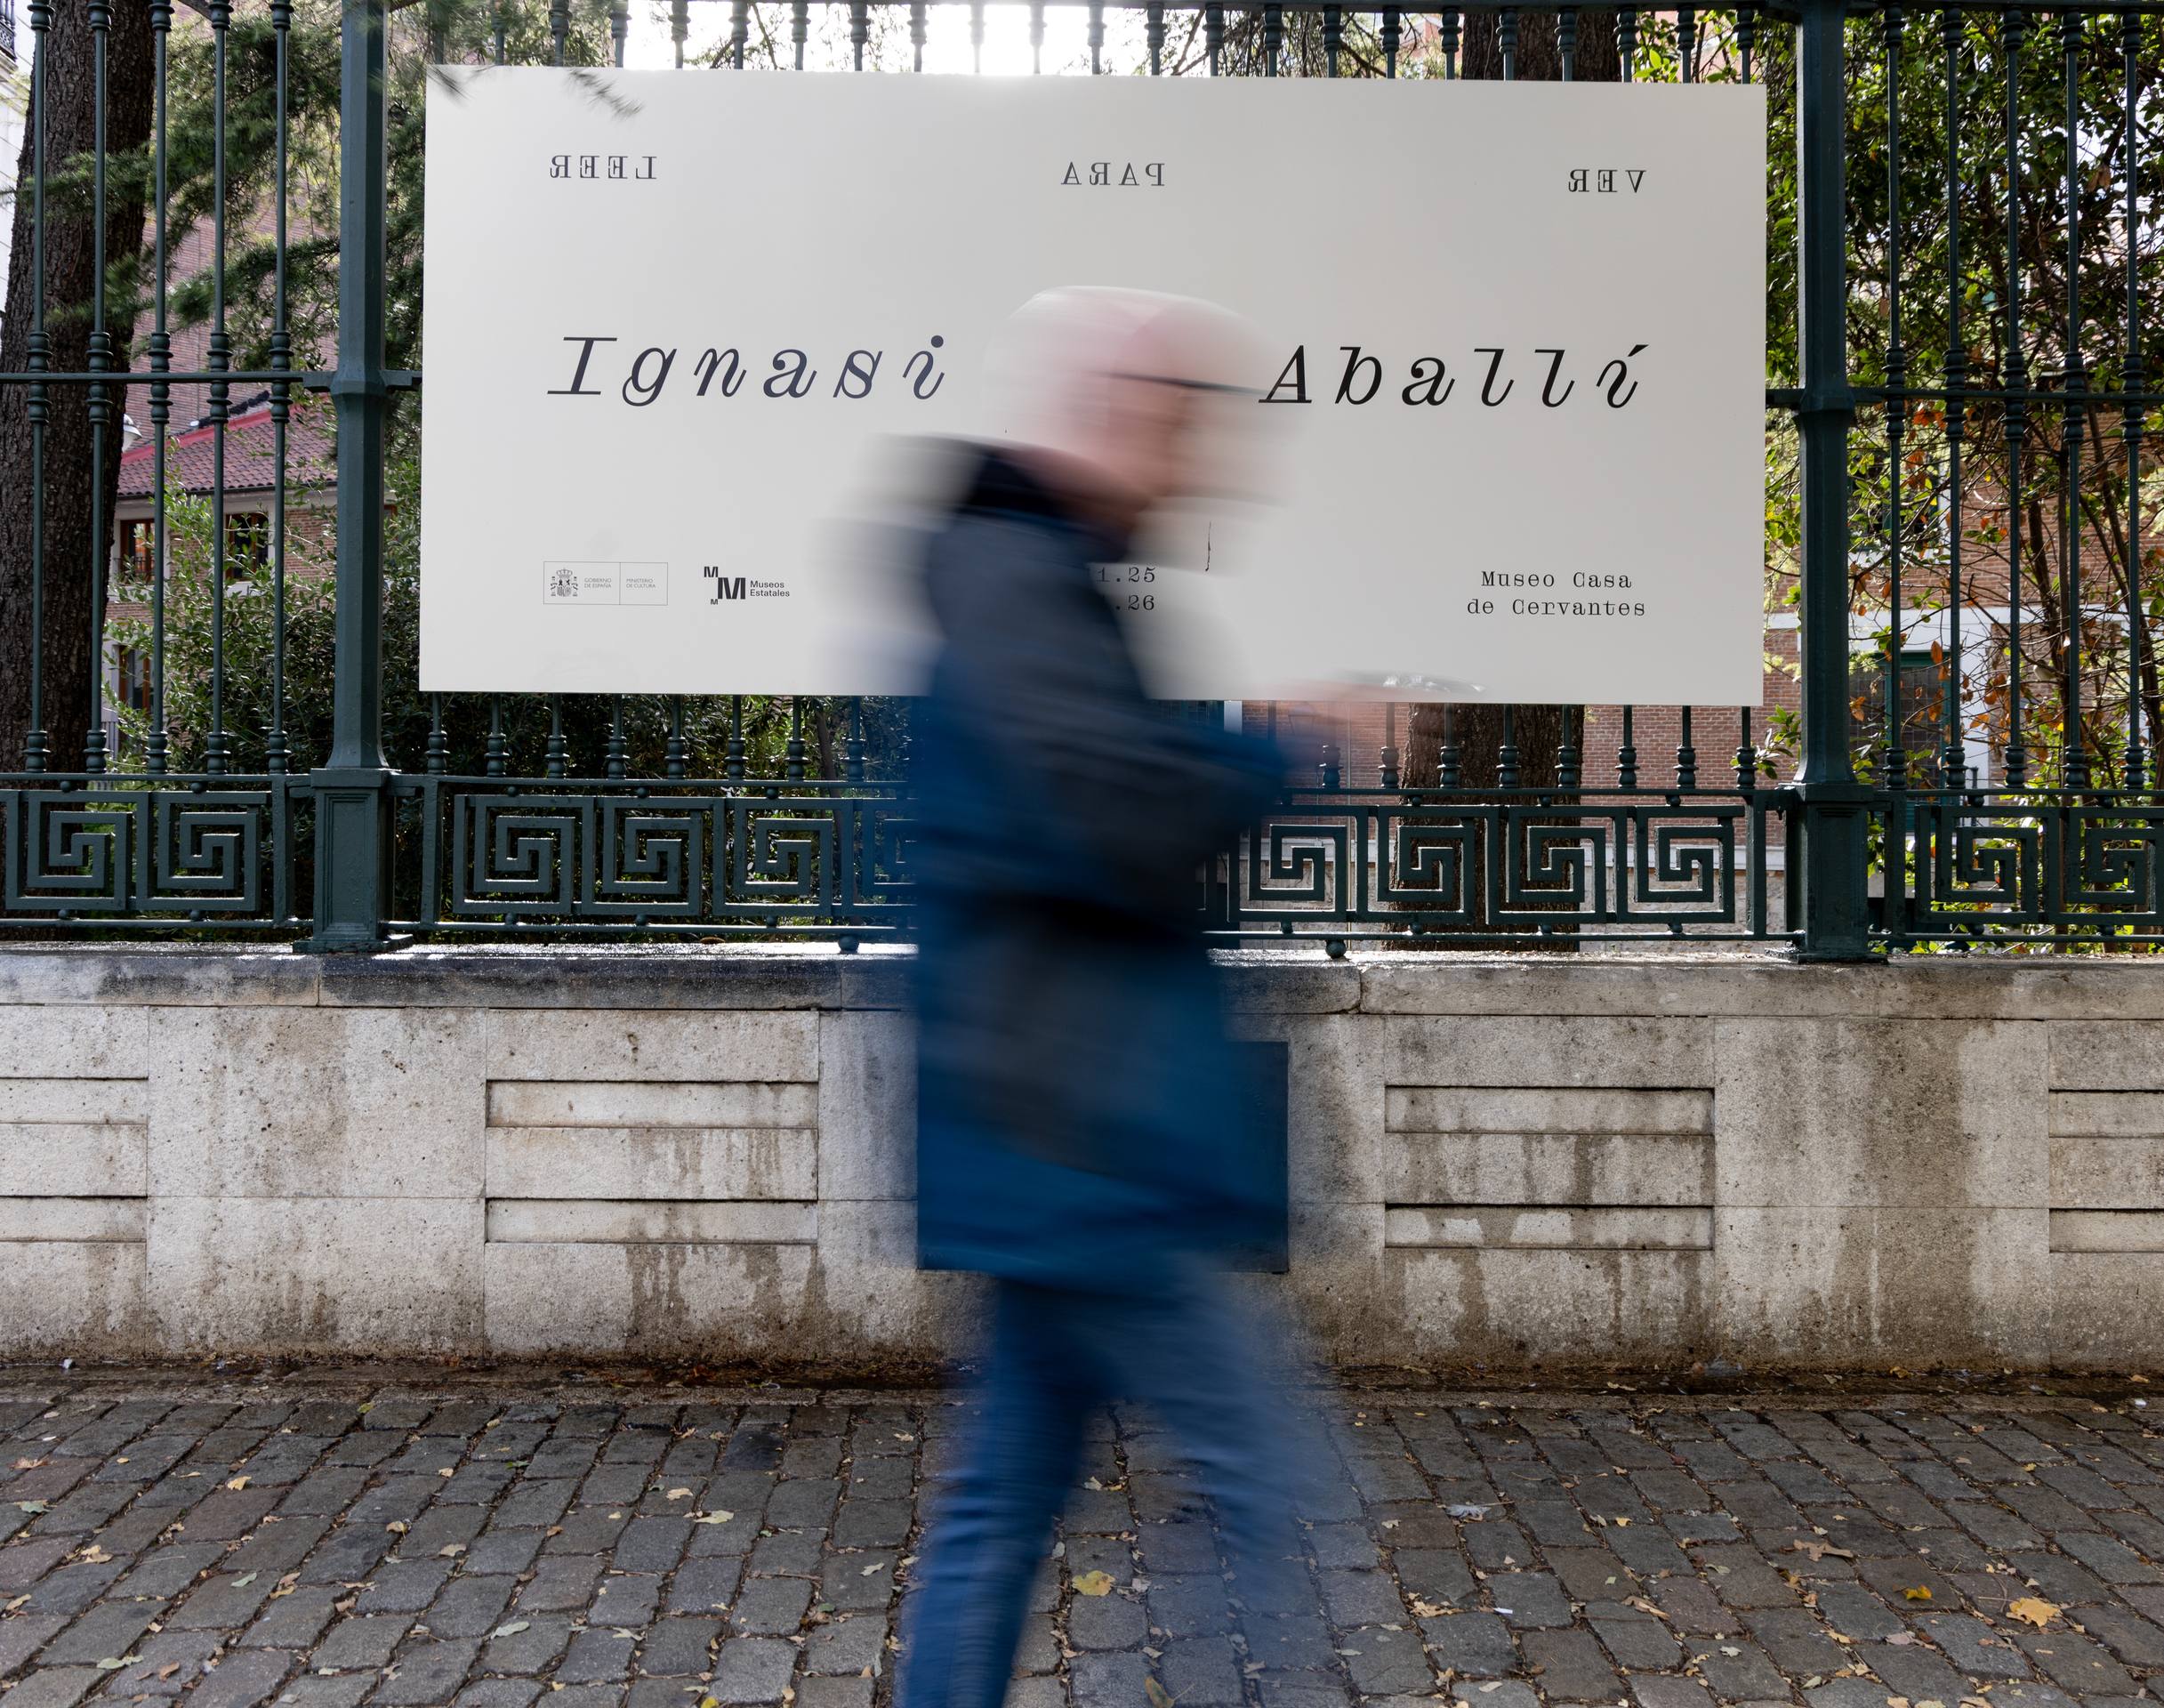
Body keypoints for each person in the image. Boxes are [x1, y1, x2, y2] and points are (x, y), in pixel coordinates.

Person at [897, 288, 1320, 1708]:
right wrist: (1288, 751)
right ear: (1103, 414)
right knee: (1268, 1489)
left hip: (1047, 1126)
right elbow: (1112, 819)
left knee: (1004, 1500)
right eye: (1174, 418)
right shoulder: (1020, 585)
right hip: (1078, 1129)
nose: (1198, 454)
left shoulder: (1031, 577)